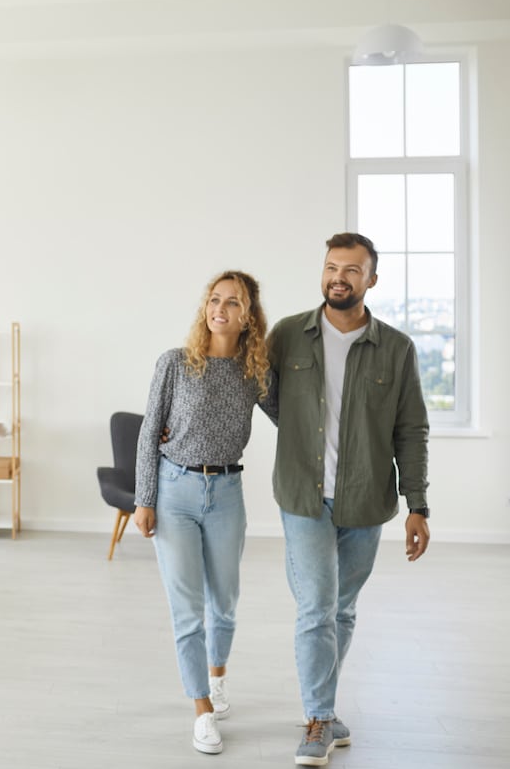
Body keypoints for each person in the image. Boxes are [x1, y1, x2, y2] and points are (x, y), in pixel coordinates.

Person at [265, 232, 430, 767]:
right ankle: (317, 720)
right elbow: (254, 392)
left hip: (366, 502)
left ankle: (325, 706)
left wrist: (418, 505)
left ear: (371, 280)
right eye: (332, 266)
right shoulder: (287, 335)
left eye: (352, 270)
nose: (339, 276)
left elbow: (411, 431)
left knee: (343, 610)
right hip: (302, 499)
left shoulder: (398, 348)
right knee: (316, 608)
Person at [132, 270, 270, 756]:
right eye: (215, 299)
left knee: (225, 603)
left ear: (248, 315)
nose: (221, 309)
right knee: (187, 610)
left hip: (228, 492)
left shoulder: (256, 372)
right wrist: (143, 499)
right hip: (175, 492)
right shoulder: (174, 363)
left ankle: (217, 677)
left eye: (233, 303)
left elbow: (295, 417)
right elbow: (150, 433)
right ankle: (202, 710)